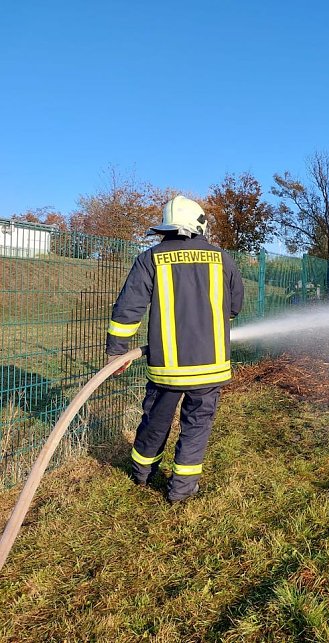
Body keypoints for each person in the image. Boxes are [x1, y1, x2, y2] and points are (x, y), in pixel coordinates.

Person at [105, 195, 244, 503]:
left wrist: (117, 351)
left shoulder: (149, 258)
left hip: (167, 365)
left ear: (164, 228)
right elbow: (234, 307)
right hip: (211, 366)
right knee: (197, 426)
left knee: (155, 420)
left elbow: (129, 308)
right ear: (199, 226)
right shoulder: (222, 259)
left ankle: (141, 473)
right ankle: (181, 490)